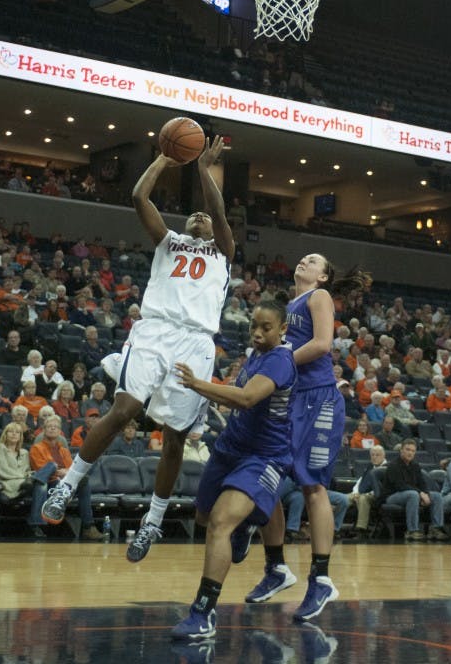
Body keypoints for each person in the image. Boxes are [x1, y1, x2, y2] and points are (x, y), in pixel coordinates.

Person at [41, 136, 235, 562]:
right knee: (124, 410)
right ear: (184, 226)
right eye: (194, 214)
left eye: (204, 215)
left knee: (174, 439)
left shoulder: (223, 251)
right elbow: (137, 195)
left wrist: (203, 169)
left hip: (196, 342)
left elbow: (217, 210)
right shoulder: (167, 241)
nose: (200, 215)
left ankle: (152, 522)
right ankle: (67, 485)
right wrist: (165, 160)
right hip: (155, 332)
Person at [247, 256, 371, 622]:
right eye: (304, 257)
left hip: (318, 399)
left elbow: (321, 344)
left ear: (324, 276)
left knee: (312, 487)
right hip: (290, 399)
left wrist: (277, 361)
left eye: (313, 260)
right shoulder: (287, 307)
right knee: (266, 475)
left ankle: (321, 578)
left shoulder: (319, 297)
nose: (305, 260)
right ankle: (276, 567)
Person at [171, 301, 296, 641]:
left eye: (266, 327)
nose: (257, 332)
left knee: (220, 523)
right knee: (203, 518)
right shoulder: (255, 354)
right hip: (230, 447)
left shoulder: (281, 360)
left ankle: (203, 612)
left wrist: (198, 384)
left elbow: (244, 399)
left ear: (282, 329)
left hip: (264, 455)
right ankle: (248, 526)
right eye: (254, 325)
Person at [30, 416, 102, 540]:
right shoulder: (36, 448)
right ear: (44, 430)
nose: (52, 428)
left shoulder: (64, 450)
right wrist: (60, 472)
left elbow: (71, 469)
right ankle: (38, 525)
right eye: (49, 426)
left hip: (65, 484)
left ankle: (88, 527)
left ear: (60, 432)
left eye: (56, 427)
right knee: (48, 469)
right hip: (49, 482)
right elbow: (41, 470)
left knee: (84, 482)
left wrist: (66, 473)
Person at [378, 438, 447, 542]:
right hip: (392, 496)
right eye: (407, 449)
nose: (410, 453)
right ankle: (412, 530)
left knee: (437, 496)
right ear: (401, 450)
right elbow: (400, 486)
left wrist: (426, 494)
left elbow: (422, 483)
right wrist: (420, 494)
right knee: (413, 494)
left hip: (411, 493)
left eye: (413, 451)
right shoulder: (393, 466)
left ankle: (436, 529)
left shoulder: (415, 465)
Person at [348, 444, 387, 540]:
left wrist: (366, 494)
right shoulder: (370, 466)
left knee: (363, 498)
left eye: (377, 455)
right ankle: (335, 528)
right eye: (372, 455)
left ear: (383, 456)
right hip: (360, 494)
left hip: (375, 496)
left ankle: (361, 530)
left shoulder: (386, 469)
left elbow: (384, 488)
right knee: (342, 499)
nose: (374, 457)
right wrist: (355, 492)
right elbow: (359, 481)